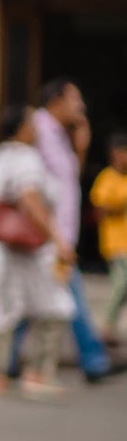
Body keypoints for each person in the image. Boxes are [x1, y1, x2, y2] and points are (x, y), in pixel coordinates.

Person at [18, 78, 112, 382]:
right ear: (56, 101)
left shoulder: (60, 135)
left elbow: (69, 179)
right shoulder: (38, 129)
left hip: (61, 234)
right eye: (75, 100)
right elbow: (28, 187)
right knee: (67, 298)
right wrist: (52, 234)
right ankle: (94, 360)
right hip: (48, 236)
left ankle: (8, 359)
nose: (80, 108)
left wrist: (81, 146)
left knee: (38, 300)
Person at [0, 105, 74, 400]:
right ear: (22, 128)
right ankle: (38, 372)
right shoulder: (25, 159)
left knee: (0, 310)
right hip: (27, 250)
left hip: (4, 248)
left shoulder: (1, 156)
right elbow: (29, 198)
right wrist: (58, 238)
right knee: (54, 306)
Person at [90, 132, 127, 336]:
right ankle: (107, 324)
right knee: (121, 282)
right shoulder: (107, 177)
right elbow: (99, 208)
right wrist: (119, 203)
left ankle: (110, 324)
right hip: (115, 243)